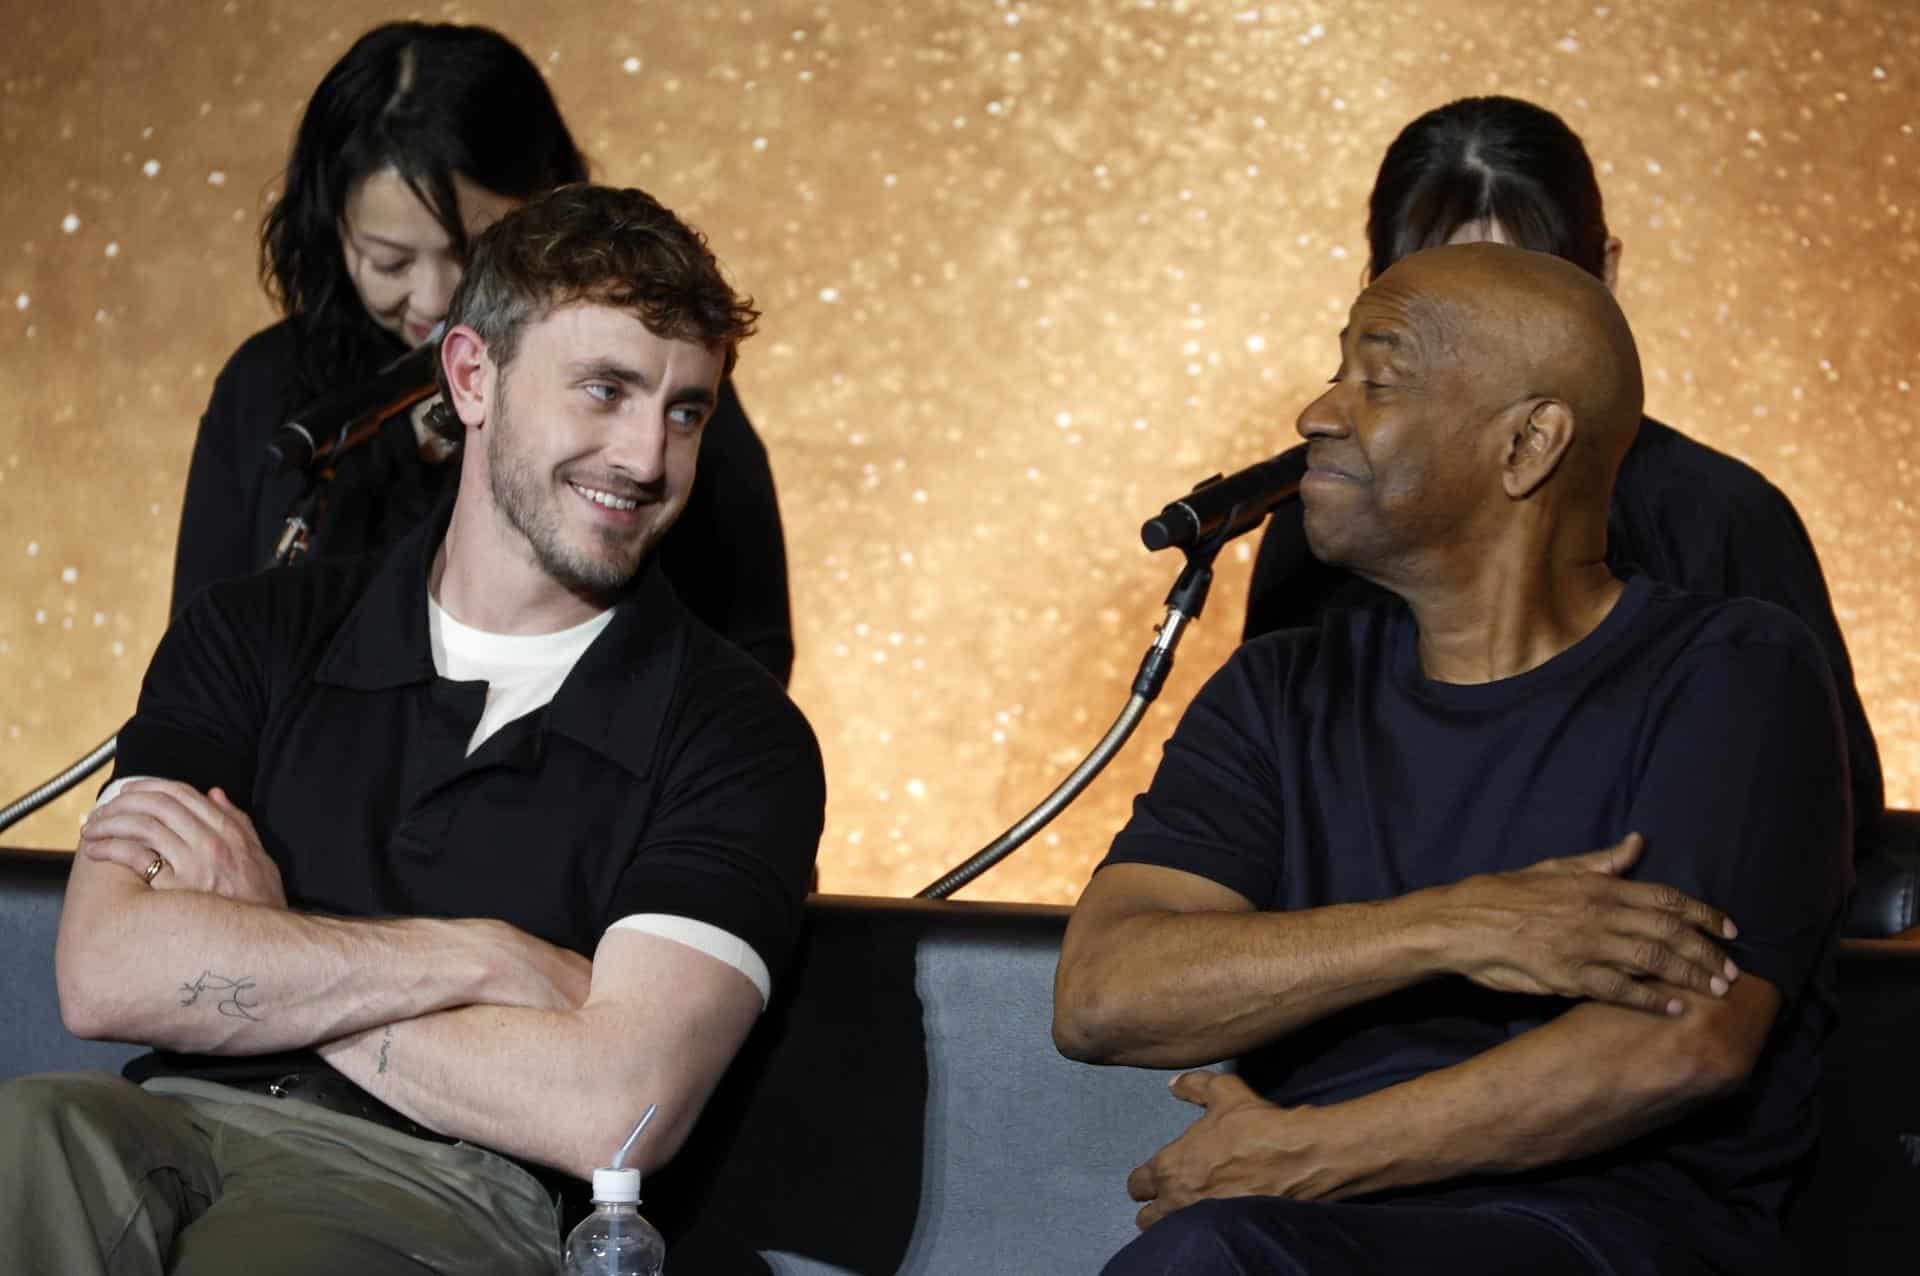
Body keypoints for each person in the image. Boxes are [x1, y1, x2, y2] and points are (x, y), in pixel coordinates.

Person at [0, 184, 825, 1274]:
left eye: (686, 409)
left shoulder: (735, 735)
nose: (646, 456)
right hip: (163, 1119)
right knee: (18, 1135)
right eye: (605, 390)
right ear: (474, 376)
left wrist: (266, 946)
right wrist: (478, 957)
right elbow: (107, 969)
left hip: (445, 1183)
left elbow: (613, 1110)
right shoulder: (254, 631)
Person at [1055, 243, 1851, 1274]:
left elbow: (1675, 1041)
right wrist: (1453, 925)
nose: (1318, 412)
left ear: (1528, 443)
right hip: (1299, 1230)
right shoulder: (1278, 691)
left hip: (1605, 1231)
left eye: (1375, 380)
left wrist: (1312, 1152)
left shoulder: (1730, 672)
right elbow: (1105, 995)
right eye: (1336, 370)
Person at [1242, 95, 1882, 849]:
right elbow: (1255, 832)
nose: (1476, 357)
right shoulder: (1320, 516)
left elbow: (1824, 823)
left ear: (1604, 275)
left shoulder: (1723, 518)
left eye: (1519, 298)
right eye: (1435, 301)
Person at [172, 20, 796, 684]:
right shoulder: (267, 387)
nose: (436, 301)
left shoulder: (654, 383)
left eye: (473, 252)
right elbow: (196, 661)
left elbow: (750, 651)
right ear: (332, 232)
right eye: (389, 262)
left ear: (551, 203)